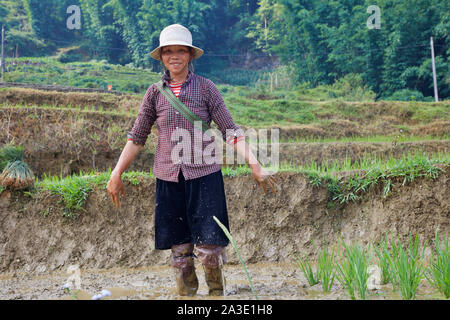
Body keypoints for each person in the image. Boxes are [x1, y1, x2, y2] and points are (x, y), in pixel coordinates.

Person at [106, 24, 277, 296]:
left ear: (190, 55)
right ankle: (186, 296)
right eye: (168, 52)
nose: (174, 56)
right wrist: (116, 174)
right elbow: (137, 137)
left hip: (204, 176)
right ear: (161, 56)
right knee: (180, 251)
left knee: (209, 248)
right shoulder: (153, 93)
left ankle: (216, 294)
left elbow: (231, 131)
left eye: (180, 51)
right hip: (168, 178)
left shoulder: (207, 89)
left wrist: (255, 165)